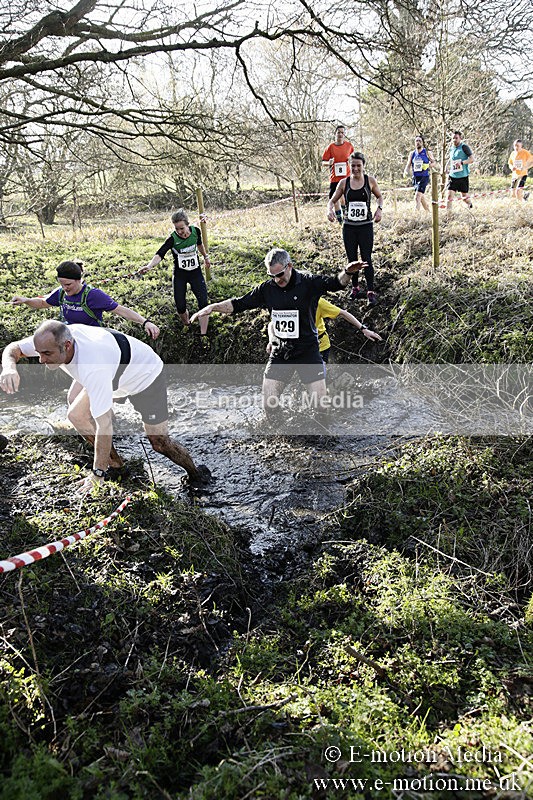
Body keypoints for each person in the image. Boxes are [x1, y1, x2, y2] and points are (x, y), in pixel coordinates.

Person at [0, 320, 210, 492]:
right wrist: (9, 368)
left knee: (159, 442)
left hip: (144, 376)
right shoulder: (52, 339)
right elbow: (14, 348)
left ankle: (196, 474)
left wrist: (97, 474)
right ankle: (118, 467)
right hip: (113, 368)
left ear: (67, 346)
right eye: (39, 353)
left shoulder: (93, 366)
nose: (41, 360)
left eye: (46, 354)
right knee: (77, 415)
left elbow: (104, 426)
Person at [189, 248, 368, 418]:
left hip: (307, 352)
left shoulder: (308, 282)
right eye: (272, 276)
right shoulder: (267, 289)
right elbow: (239, 304)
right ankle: (279, 434)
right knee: (269, 404)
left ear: (289, 265)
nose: (277, 280)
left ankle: (324, 437)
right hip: (281, 352)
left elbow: (336, 283)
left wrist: (348, 272)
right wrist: (213, 307)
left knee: (320, 406)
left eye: (280, 275)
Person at [11, 260, 160, 338]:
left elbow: (120, 310)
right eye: (61, 284)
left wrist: (145, 322)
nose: (65, 288)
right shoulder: (61, 293)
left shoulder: (93, 295)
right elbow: (43, 303)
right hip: (71, 339)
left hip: (93, 339)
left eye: (68, 284)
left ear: (78, 280)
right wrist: (25, 300)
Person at [141, 209, 211, 334]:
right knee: (180, 306)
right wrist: (149, 266)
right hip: (180, 275)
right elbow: (160, 254)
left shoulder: (196, 231)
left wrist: (205, 257)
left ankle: (203, 333)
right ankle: (187, 325)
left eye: (182, 228)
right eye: (177, 229)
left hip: (195, 273)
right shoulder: (172, 239)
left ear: (187, 225)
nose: (180, 232)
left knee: (203, 302)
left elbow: (199, 244)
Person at [327, 152, 383, 306]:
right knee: (352, 260)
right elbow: (332, 201)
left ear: (363, 166)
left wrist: (379, 209)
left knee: (366, 258)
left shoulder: (370, 181)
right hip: (349, 227)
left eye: (359, 165)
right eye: (353, 165)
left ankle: (370, 291)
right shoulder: (344, 183)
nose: (356, 168)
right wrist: (329, 210)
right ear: (349, 166)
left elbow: (380, 197)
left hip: (365, 226)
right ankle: (355, 287)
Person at [268, 295, 382, 364]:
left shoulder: (318, 302)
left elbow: (343, 313)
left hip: (320, 346)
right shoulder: (285, 302)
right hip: (295, 347)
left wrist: (363, 329)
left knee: (317, 378)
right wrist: (272, 339)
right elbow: (272, 323)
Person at [321, 125, 355, 225]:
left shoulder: (349, 146)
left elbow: (355, 159)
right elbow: (323, 162)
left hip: (346, 177)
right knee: (335, 199)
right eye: (338, 132)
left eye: (342, 132)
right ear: (335, 134)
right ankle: (341, 222)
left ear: (344, 135)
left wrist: (351, 160)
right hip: (335, 178)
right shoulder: (330, 147)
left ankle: (346, 217)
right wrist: (329, 163)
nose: (340, 134)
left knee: (345, 198)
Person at [403, 135, 436, 212]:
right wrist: (405, 171)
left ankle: (416, 217)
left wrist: (427, 165)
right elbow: (408, 164)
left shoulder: (427, 152)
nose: (418, 143)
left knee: (417, 197)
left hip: (424, 177)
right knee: (421, 198)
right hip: (415, 177)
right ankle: (428, 212)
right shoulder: (412, 154)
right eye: (416, 141)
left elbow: (434, 163)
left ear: (422, 143)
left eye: (419, 141)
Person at [447, 131, 474, 211]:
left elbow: (472, 159)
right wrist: (447, 168)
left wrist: (462, 163)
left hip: (463, 176)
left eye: (456, 138)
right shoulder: (451, 148)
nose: (454, 140)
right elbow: (451, 159)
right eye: (453, 138)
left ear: (460, 138)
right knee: (449, 196)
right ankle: (448, 215)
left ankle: (469, 204)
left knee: (464, 197)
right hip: (453, 176)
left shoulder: (464, 147)